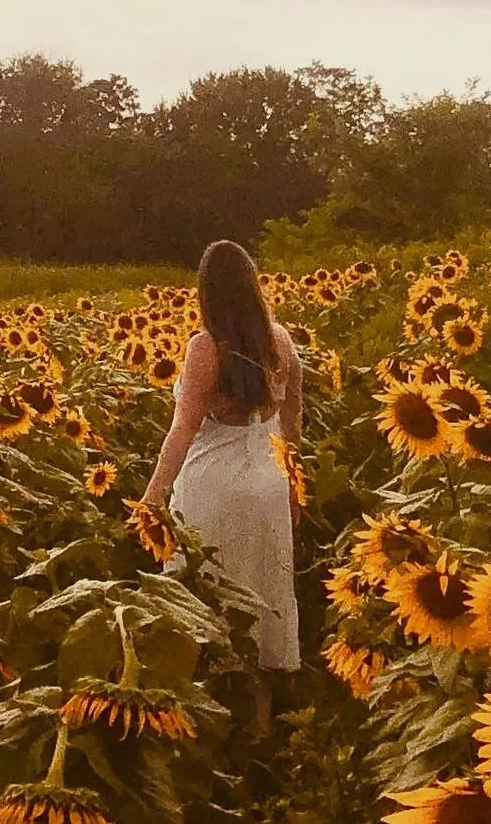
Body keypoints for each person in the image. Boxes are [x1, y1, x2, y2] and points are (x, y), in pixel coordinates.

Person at [140, 239, 302, 727]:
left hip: (214, 485)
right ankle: (260, 726)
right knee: (264, 593)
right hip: (269, 482)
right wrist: (294, 485)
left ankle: (203, 725)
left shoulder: (206, 346)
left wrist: (153, 494)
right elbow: (292, 423)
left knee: (205, 596)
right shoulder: (282, 341)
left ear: (206, 292)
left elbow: (184, 428)